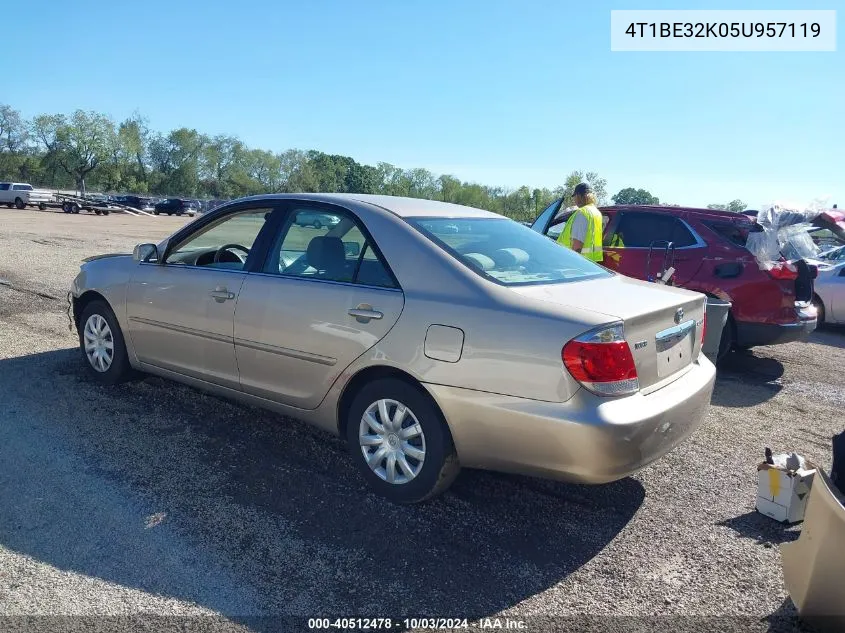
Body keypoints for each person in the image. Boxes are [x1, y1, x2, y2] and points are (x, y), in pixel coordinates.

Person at [556, 182, 604, 262]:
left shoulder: (582, 213)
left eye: (574, 196)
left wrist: (572, 262)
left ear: (579, 196)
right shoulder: (597, 213)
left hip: (577, 263)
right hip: (592, 263)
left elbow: (577, 245)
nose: (574, 199)